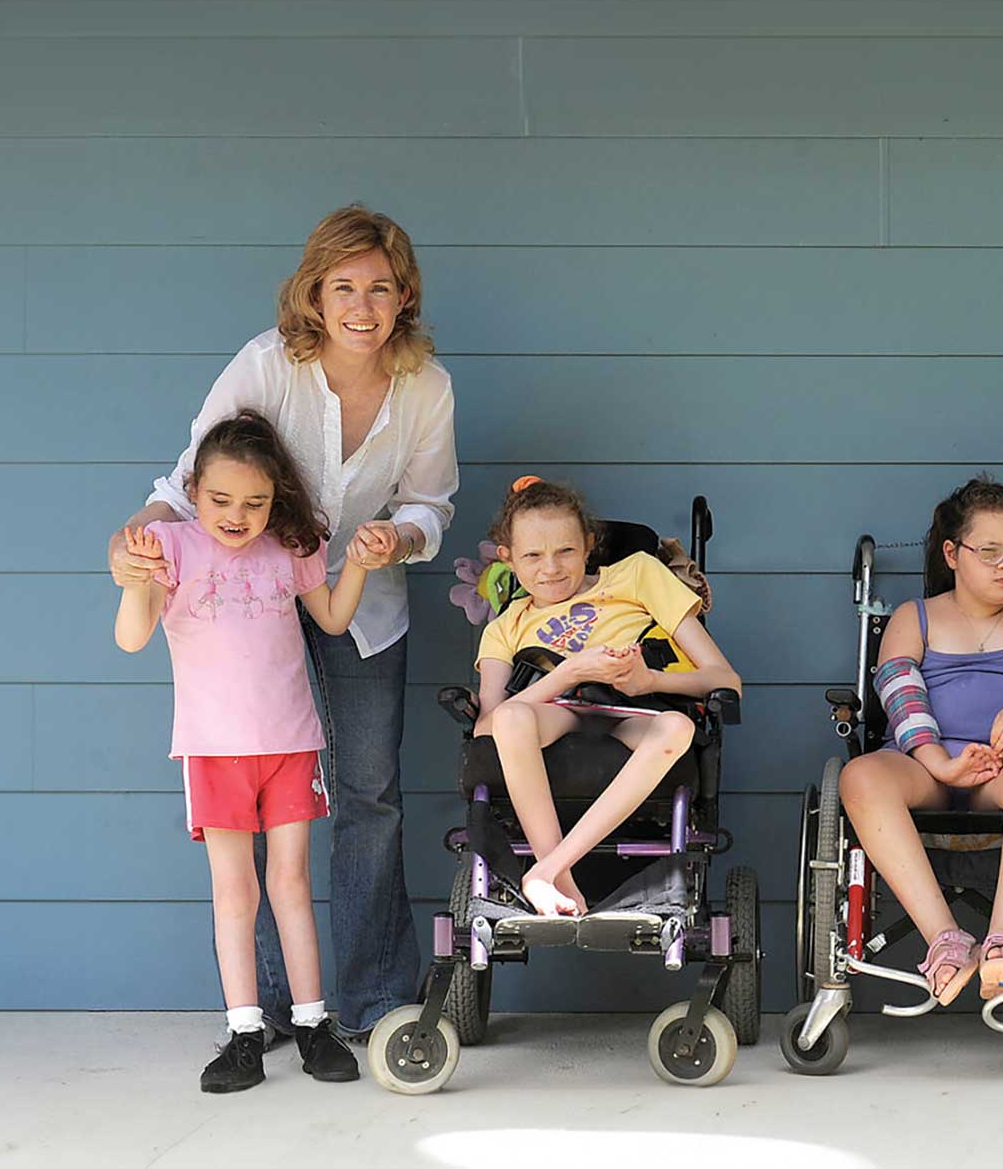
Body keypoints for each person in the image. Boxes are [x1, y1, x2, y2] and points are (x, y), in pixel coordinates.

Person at [107, 205, 457, 1042]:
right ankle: (260, 1010)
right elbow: (194, 477)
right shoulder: (266, 366)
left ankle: (375, 1003)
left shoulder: (427, 386)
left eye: (380, 287)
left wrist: (399, 535)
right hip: (248, 605)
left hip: (359, 603)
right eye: (343, 287)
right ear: (314, 293)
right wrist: (135, 546)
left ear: (404, 296)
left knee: (370, 795)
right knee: (252, 809)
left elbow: (431, 502)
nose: (361, 306)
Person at [115, 412, 386, 1092]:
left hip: (291, 742)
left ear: (277, 498)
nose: (238, 516)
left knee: (291, 883)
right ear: (194, 492)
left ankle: (313, 1024)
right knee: (234, 890)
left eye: (255, 503)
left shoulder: (291, 546)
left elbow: (331, 618)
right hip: (214, 750)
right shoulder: (170, 547)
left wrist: (355, 563)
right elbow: (131, 638)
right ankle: (242, 1029)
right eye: (221, 501)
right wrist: (136, 580)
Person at [838, 478, 1003, 1003]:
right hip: (921, 763)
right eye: (991, 552)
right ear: (952, 554)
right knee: (859, 776)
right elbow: (900, 689)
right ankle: (944, 938)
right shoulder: (917, 615)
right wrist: (939, 763)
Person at [473, 477, 741, 917]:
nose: (551, 569)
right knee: (509, 719)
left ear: (590, 544)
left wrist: (650, 680)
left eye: (566, 551)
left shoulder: (637, 574)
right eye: (532, 556)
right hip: (557, 715)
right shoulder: (505, 627)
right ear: (508, 559)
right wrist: (571, 671)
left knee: (679, 726)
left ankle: (548, 870)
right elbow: (488, 724)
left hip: (636, 706)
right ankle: (561, 881)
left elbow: (725, 678)